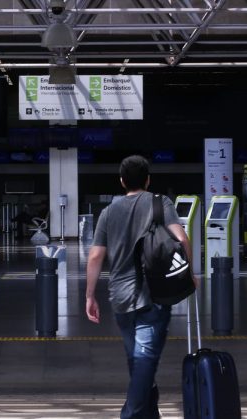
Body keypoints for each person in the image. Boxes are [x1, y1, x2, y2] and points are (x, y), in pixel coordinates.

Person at [85, 155, 197, 419]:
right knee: (144, 360)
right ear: (148, 180)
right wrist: (190, 274)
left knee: (137, 360)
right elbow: (181, 238)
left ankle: (149, 412)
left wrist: (90, 295)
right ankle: (131, 414)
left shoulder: (109, 211)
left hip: (120, 298)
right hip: (154, 293)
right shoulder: (161, 202)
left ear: (122, 181)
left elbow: (95, 256)